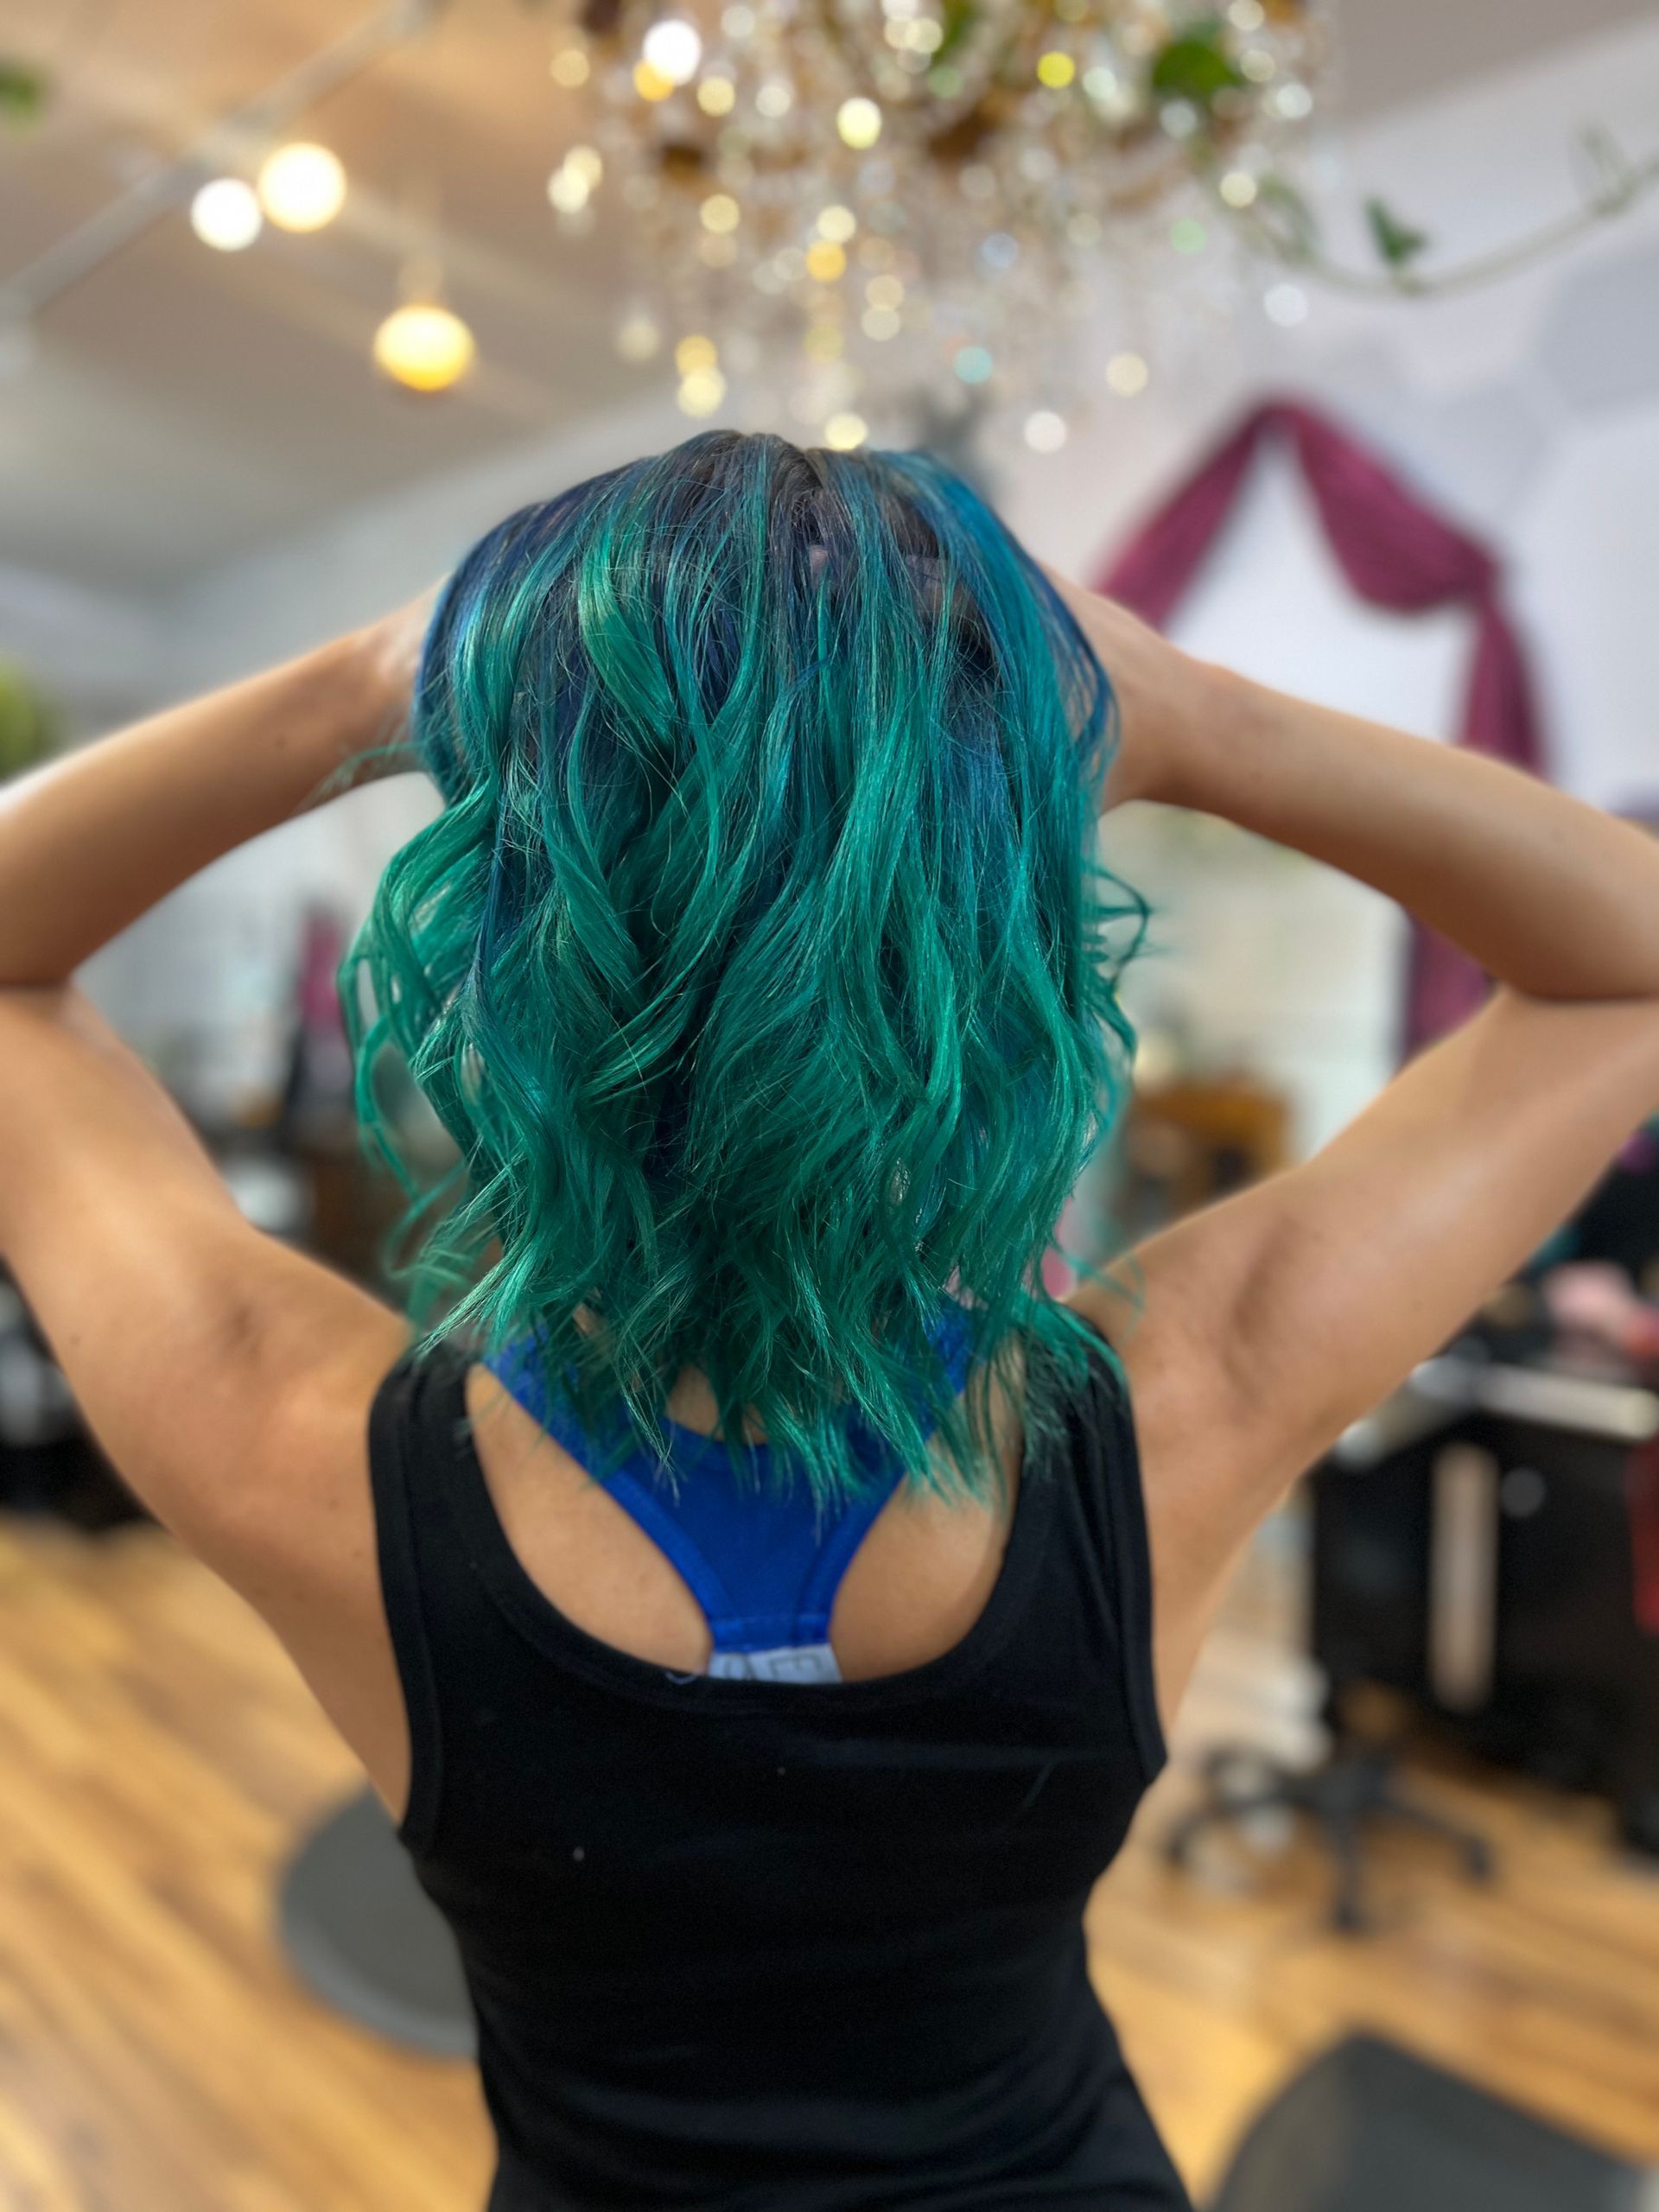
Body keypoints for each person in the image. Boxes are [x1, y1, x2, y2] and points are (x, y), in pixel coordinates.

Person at [1, 429, 1656, 2210]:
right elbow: (1622, 963)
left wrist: (373, 677)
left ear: (513, 943)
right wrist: (1187, 714)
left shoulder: (298, 1446)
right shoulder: (1176, 1411)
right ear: (997, 960)